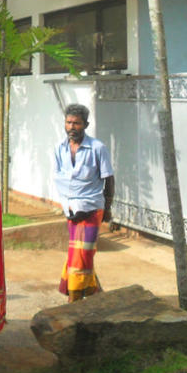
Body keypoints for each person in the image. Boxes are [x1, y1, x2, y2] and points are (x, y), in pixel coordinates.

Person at [54, 103, 114, 302]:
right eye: (69, 122)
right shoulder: (59, 149)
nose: (72, 127)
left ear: (85, 125)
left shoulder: (98, 148)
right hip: (71, 210)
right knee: (78, 253)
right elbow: (58, 179)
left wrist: (108, 207)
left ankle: (74, 299)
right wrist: (66, 205)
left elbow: (109, 179)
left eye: (77, 123)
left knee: (82, 254)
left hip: (91, 208)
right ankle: (95, 292)